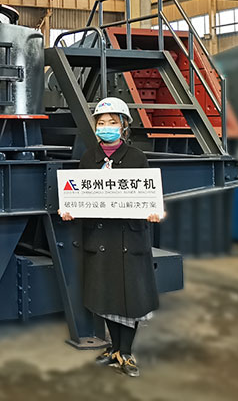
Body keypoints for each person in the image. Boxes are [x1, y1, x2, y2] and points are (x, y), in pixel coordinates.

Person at [59, 97, 164, 378]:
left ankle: (125, 353)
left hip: (129, 238)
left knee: (130, 298)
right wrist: (70, 210)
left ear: (124, 126)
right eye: (102, 123)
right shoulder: (88, 159)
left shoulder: (137, 158)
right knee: (106, 295)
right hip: (101, 238)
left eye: (112, 123)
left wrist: (154, 211)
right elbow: (80, 196)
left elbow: (149, 196)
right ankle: (114, 349)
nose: (106, 127)